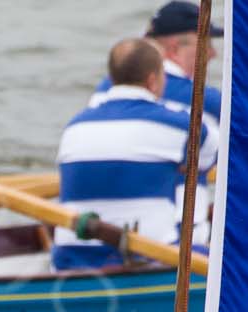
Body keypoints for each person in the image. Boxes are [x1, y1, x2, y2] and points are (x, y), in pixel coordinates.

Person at [53, 39, 218, 272]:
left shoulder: (74, 126)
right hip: (148, 257)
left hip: (70, 260)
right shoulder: (181, 126)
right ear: (152, 80)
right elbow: (211, 156)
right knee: (229, 255)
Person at [96, 2, 224, 121]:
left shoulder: (106, 87)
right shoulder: (208, 102)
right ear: (174, 49)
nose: (213, 54)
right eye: (206, 45)